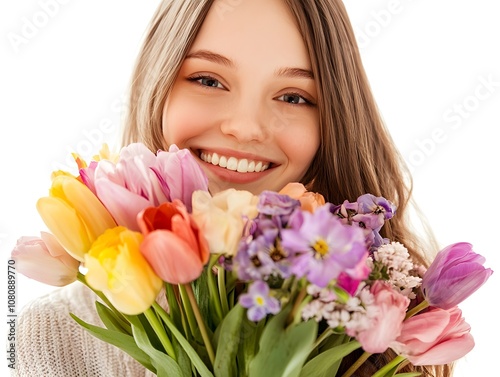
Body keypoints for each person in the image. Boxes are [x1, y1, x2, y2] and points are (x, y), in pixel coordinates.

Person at [13, 0, 453, 376]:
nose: (244, 128)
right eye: (208, 80)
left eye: (294, 97)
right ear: (157, 84)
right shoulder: (52, 339)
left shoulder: (384, 323)